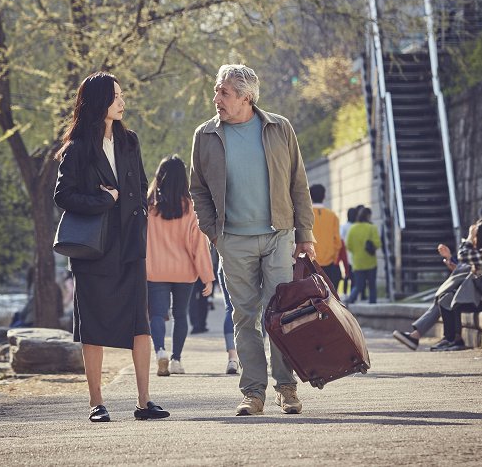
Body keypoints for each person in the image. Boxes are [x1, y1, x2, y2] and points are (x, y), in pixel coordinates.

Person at [190, 64, 315, 416]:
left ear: (246, 97)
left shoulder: (279, 127)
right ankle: (253, 393)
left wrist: (305, 234)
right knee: (245, 317)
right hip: (233, 241)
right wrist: (213, 232)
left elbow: (298, 183)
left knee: (281, 314)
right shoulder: (205, 135)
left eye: (224, 92)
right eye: (217, 91)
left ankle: (287, 388)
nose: (217, 99)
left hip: (278, 236)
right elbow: (197, 189)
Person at [53, 72, 169, 422]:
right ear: (100, 100)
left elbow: (143, 182)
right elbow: (63, 196)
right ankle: (96, 403)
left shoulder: (129, 140)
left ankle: (144, 401)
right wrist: (104, 200)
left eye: (122, 96)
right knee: (93, 326)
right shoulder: (76, 148)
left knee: (140, 324)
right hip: (93, 250)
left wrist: (136, 211)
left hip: (130, 246)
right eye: (116, 96)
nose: (122, 102)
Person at [146, 154, 214, 376]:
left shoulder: (149, 207)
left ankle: (160, 352)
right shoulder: (190, 208)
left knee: (156, 314)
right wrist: (207, 276)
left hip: (155, 270)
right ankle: (176, 360)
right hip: (184, 271)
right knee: (180, 314)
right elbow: (199, 246)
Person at [436, 217, 482, 351]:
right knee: (446, 299)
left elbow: (463, 255)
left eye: (477, 235)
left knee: (456, 301)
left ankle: (457, 340)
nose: (475, 238)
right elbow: (468, 265)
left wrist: (469, 237)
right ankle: (450, 338)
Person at [392, 243, 458, 350]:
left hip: (479, 294)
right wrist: (449, 258)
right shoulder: (475, 250)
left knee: (446, 298)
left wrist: (450, 258)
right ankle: (416, 335)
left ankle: (448, 339)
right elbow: (462, 269)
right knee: (443, 298)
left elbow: (466, 270)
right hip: (468, 291)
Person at [345, 207, 381, 304]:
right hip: (370, 262)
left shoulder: (352, 228)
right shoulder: (372, 228)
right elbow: (377, 244)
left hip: (357, 262)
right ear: (368, 216)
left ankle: (350, 299)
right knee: (372, 285)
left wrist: (356, 252)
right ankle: (372, 303)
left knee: (358, 285)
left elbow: (348, 245)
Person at [309, 184, 342, 289]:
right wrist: (335, 258)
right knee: (330, 295)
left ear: (310, 196)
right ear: (324, 196)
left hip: (311, 262)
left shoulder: (307, 215)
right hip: (330, 262)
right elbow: (337, 241)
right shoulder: (332, 216)